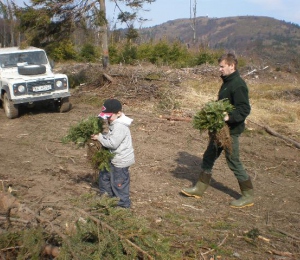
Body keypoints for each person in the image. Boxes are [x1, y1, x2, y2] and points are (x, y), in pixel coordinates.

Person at [181, 53, 254, 208]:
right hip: (220, 129)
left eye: (222, 66)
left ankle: (248, 196)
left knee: (233, 161)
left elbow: (244, 109)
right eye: (219, 66)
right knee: (208, 156)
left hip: (230, 131)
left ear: (231, 66)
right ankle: (199, 188)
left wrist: (228, 117)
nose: (219, 69)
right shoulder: (227, 82)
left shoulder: (238, 84)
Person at [91, 98, 135, 208]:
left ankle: (122, 207)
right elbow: (112, 137)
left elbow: (113, 144)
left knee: (119, 185)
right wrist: (103, 136)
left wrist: (100, 137)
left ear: (119, 113)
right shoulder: (114, 122)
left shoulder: (120, 126)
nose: (107, 119)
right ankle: (107, 200)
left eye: (109, 116)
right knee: (104, 178)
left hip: (120, 162)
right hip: (113, 159)